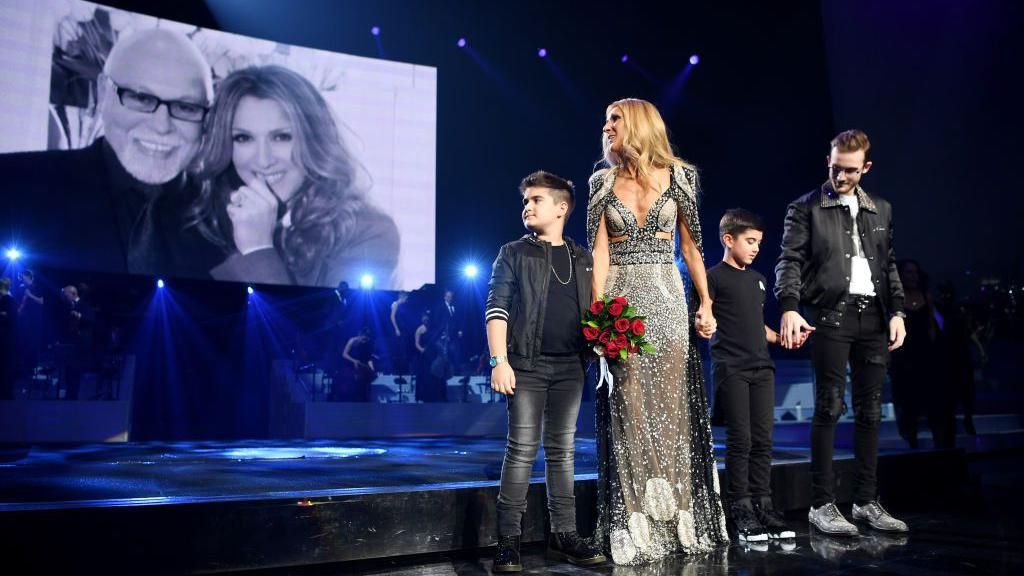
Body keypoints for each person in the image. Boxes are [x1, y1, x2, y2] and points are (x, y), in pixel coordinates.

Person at [587, 98, 728, 565]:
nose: (606, 127)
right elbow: (600, 255)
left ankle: (678, 521)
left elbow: (692, 246)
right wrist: (598, 313)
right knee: (628, 406)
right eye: (605, 121)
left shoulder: (681, 177)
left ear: (640, 125)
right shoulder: (601, 182)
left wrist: (705, 303)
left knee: (672, 409)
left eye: (614, 119)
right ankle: (636, 524)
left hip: (668, 301)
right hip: (622, 302)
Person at [0, 28, 219, 278]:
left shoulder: (226, 220)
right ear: (104, 92)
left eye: (185, 107)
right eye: (141, 98)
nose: (162, 126)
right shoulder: (12, 186)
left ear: (206, 118)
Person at [776, 129, 909, 535]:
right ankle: (822, 503)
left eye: (850, 170)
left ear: (866, 167)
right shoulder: (806, 208)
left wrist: (898, 311)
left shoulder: (880, 209)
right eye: (835, 168)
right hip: (831, 316)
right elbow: (790, 260)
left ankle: (867, 501)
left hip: (873, 317)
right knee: (830, 407)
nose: (841, 176)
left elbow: (887, 265)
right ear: (828, 162)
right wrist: (789, 308)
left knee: (870, 412)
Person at [186, 65, 400, 288]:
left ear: (314, 140)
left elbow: (331, 323)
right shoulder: (205, 218)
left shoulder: (369, 232)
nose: (263, 160)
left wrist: (258, 249)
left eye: (281, 137)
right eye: (243, 138)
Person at [485, 171, 604, 572]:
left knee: (563, 452)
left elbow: (595, 308)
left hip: (572, 367)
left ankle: (564, 536)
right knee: (520, 452)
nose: (528, 206)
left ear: (562, 207)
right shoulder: (513, 252)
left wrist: (603, 342)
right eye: (525, 201)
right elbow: (496, 308)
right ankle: (508, 542)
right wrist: (499, 361)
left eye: (536, 200)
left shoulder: (581, 257)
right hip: (527, 366)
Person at [707, 209, 795, 543]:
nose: (756, 247)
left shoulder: (758, 279)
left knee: (763, 440)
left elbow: (754, 324)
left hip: (763, 368)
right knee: (740, 441)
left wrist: (782, 336)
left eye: (759, 241)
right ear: (729, 240)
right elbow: (703, 318)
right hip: (732, 368)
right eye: (750, 241)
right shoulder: (713, 278)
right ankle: (740, 507)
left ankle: (764, 504)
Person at [889, 260, 952, 448]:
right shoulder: (894, 298)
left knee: (934, 404)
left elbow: (934, 328)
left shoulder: (927, 296)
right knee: (908, 405)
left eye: (915, 272)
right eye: (908, 273)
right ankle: (912, 445)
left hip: (926, 357)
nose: (912, 276)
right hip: (904, 358)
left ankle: (939, 448)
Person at [0, 277, 15, 400]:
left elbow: (10, 318)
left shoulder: (8, 300)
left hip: (6, 339)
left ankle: (6, 392)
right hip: (6, 338)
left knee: (5, 365)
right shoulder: (7, 300)